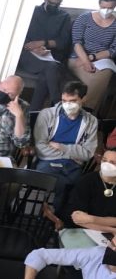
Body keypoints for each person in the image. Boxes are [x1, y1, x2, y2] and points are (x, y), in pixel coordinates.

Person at [32, 81, 98, 212]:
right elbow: (40, 148)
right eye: (64, 100)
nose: (67, 104)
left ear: (83, 99)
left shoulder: (91, 121)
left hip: (74, 165)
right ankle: (57, 218)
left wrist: (61, 147)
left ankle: (65, 219)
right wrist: (74, 151)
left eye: (73, 100)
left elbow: (88, 154)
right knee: (62, 184)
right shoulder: (47, 114)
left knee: (83, 187)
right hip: (47, 161)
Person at [17, 0, 72, 111]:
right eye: (52, 2)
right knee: (51, 68)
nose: (54, 5)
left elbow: (63, 42)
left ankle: (33, 114)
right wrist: (32, 47)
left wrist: (44, 43)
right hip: (28, 54)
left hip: (50, 54)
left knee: (45, 75)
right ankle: (58, 105)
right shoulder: (32, 11)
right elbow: (19, 35)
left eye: (57, 4)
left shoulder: (64, 16)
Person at [67, 0, 116, 112]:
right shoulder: (84, 18)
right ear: (99, 4)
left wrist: (91, 58)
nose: (106, 10)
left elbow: (113, 50)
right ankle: (84, 112)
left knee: (105, 74)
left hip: (101, 59)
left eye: (110, 8)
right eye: (104, 7)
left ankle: (85, 112)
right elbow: (76, 42)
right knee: (93, 81)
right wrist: (84, 60)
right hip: (77, 58)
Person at [61, 148, 116, 233]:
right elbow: (77, 218)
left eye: (112, 163)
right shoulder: (87, 180)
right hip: (81, 230)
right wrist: (111, 230)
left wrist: (92, 219)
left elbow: (86, 219)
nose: (106, 165)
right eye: (104, 160)